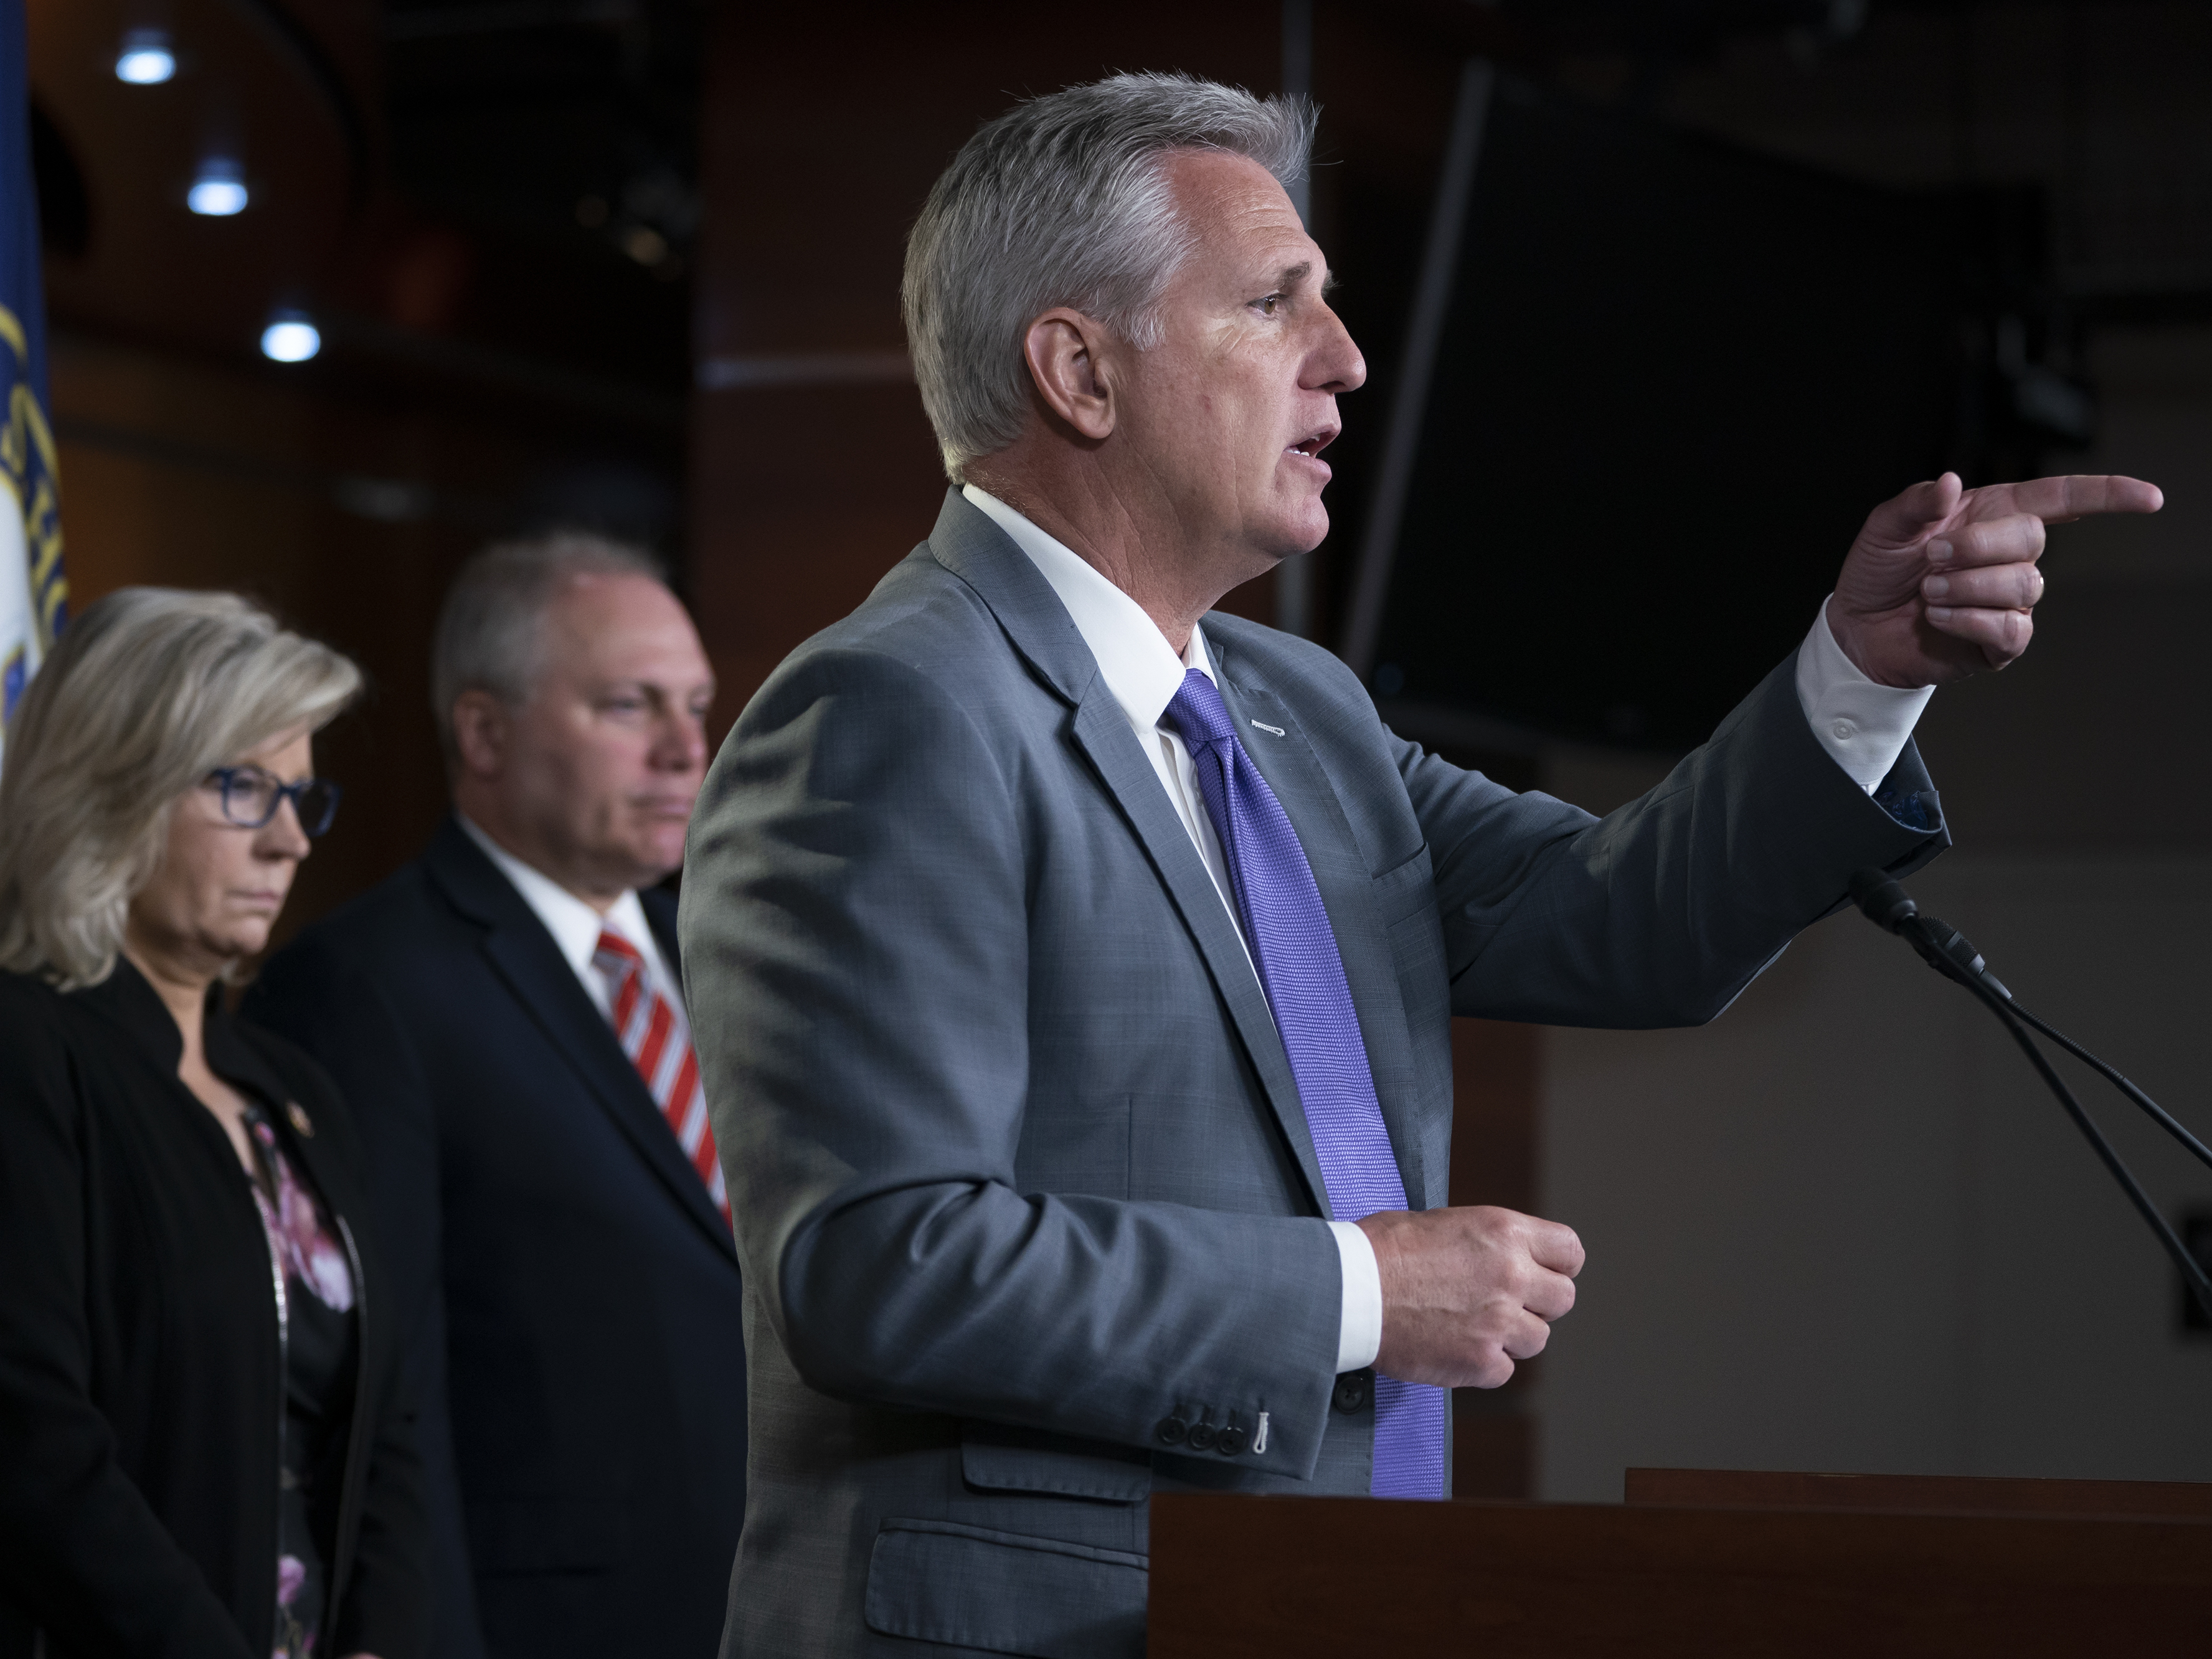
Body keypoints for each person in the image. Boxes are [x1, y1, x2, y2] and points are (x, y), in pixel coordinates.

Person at [677, 72, 2163, 1658]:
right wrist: (1363, 1297)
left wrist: (1861, 672)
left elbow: (1626, 921)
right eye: (1275, 303)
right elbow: (881, 1265)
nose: (1347, 359)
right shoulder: (893, 710)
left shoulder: (1294, 706)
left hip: (1323, 1603)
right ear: (1079, 370)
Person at [245, 533, 744, 1659]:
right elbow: (386, 1391)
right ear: (484, 731)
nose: (685, 750)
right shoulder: (363, 987)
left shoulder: (723, 957)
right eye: (631, 706)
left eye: (696, 705)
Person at [0, 588, 427, 1659]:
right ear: (111, 785)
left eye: (303, 796)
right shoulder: (30, 1049)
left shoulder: (292, 1090)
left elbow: (389, 1419)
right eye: (243, 787)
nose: (291, 841)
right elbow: (30, 1441)